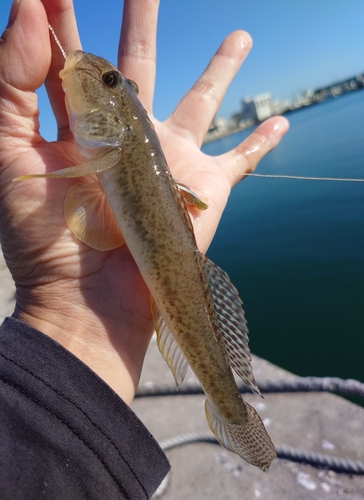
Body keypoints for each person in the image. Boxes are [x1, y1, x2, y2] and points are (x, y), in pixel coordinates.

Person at [0, 0, 289, 497]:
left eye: (115, 84)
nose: (105, 81)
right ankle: (230, 404)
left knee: (195, 318)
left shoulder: (116, 145)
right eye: (114, 84)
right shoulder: (109, 147)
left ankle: (230, 406)